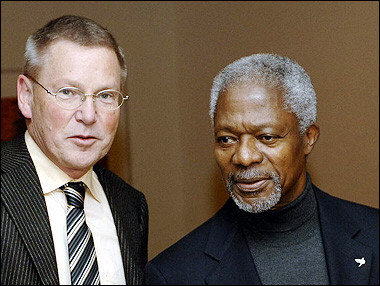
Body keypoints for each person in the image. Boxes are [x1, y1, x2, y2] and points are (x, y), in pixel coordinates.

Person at [144, 53, 379, 285]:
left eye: (266, 137)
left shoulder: (373, 234)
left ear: (308, 138)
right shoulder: (176, 273)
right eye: (226, 139)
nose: (244, 157)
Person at [1, 15, 148, 285]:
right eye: (68, 92)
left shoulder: (130, 205)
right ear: (26, 96)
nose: (89, 115)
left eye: (105, 95)